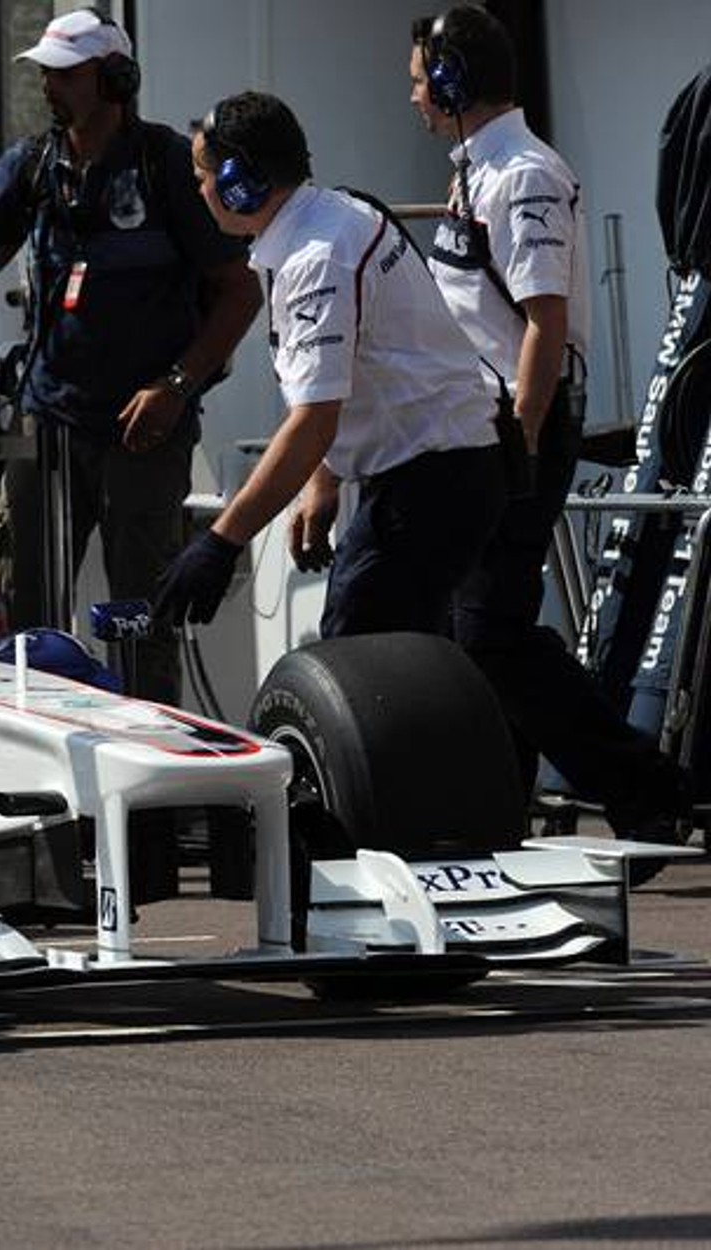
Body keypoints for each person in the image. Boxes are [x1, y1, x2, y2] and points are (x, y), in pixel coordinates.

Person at [411, 8, 689, 844]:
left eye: (424, 79)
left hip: (516, 431)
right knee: (477, 629)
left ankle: (644, 787)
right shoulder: (477, 168)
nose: (415, 97)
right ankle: (510, 799)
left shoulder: (523, 174)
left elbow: (544, 322)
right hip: (477, 431)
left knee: (490, 630)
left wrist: (518, 447)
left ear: (457, 81)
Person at [152, 91, 505, 638]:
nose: (199, 190)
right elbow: (344, 382)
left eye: (203, 175)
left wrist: (221, 543)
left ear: (238, 182)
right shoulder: (327, 219)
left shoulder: (315, 259)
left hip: (433, 480)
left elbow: (315, 418)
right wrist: (325, 483)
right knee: (420, 666)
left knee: (361, 666)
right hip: (442, 470)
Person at [0, 10, 261, 702]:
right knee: (21, 612)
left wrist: (176, 385)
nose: (48, 85)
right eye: (44, 71)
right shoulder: (31, 165)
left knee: (140, 618)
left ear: (116, 79)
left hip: (145, 432)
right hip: (47, 423)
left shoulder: (167, 163)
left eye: (65, 73)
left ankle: (149, 772)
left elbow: (239, 292)